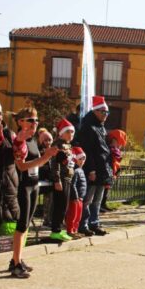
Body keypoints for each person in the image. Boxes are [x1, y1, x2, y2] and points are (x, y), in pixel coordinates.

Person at [10, 107, 57, 278]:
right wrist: (46, 157)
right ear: (20, 122)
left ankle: (17, 258)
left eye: (36, 120)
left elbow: (36, 163)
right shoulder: (18, 141)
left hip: (34, 184)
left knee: (27, 224)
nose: (34, 123)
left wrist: (49, 155)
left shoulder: (31, 140)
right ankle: (15, 264)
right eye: (30, 120)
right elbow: (21, 166)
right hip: (23, 186)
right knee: (21, 224)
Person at [76, 96, 113, 237]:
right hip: (93, 168)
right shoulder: (88, 127)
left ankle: (94, 223)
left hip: (103, 167)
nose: (105, 115)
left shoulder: (101, 127)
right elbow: (88, 150)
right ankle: (83, 224)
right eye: (103, 112)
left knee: (97, 200)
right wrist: (91, 169)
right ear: (96, 111)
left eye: (107, 113)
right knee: (88, 199)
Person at [50, 119, 76, 242]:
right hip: (61, 179)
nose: (71, 134)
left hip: (68, 178)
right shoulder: (57, 145)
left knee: (64, 206)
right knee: (59, 206)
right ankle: (55, 231)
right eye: (68, 132)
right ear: (61, 133)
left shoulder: (68, 145)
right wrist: (57, 180)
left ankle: (60, 229)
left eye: (72, 132)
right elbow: (55, 164)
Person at [67, 147, 87, 238]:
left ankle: (75, 230)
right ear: (75, 160)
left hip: (80, 198)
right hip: (75, 198)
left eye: (83, 159)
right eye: (80, 159)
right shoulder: (75, 170)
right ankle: (70, 230)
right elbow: (73, 185)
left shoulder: (81, 170)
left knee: (78, 216)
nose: (82, 161)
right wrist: (75, 197)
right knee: (73, 215)